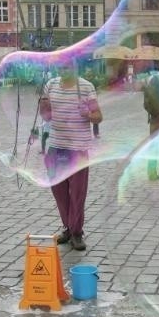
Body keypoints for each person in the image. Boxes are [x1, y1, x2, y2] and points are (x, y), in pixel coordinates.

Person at [38, 58, 103, 251]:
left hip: (78, 148)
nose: (64, 69)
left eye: (67, 65)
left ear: (75, 67)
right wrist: (43, 107)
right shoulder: (51, 85)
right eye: (61, 66)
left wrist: (87, 114)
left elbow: (99, 116)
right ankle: (68, 227)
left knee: (77, 193)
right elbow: (46, 115)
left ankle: (76, 232)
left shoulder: (86, 87)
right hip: (56, 146)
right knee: (59, 191)